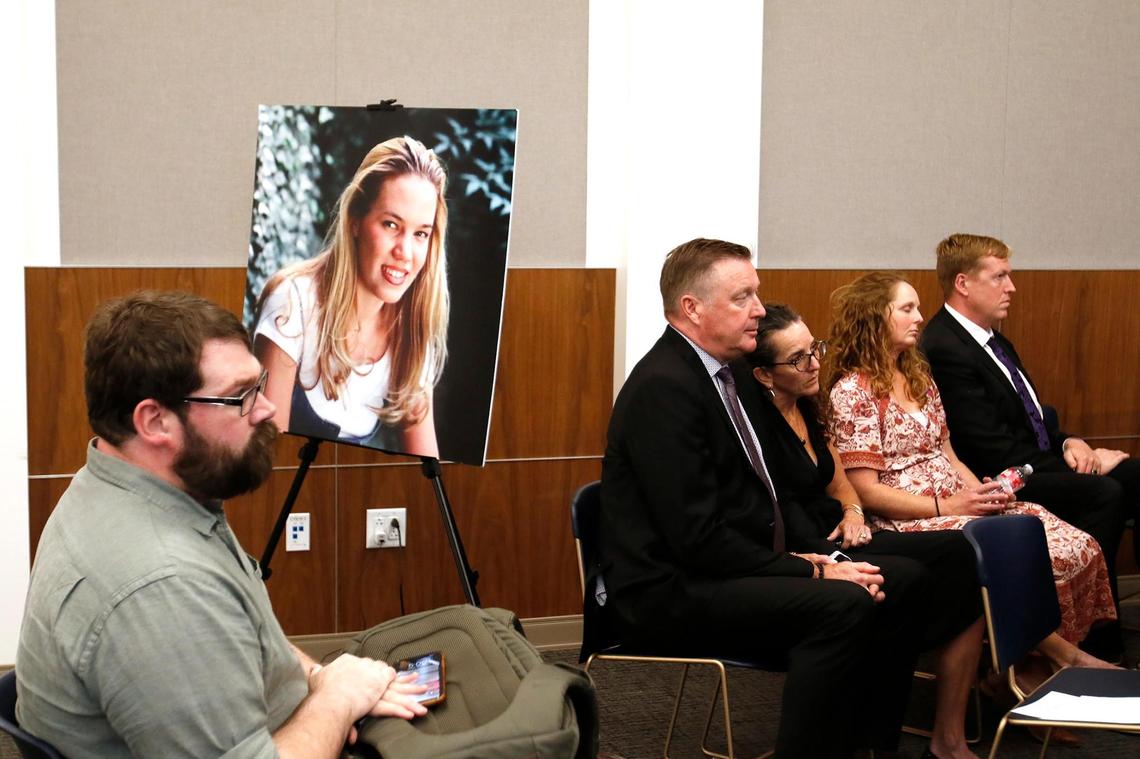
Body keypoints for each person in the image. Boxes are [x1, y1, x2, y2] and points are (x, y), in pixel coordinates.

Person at [16, 291, 427, 758]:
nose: (267, 408)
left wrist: (319, 680)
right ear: (155, 421)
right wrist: (336, 701)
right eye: (239, 397)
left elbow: (240, 639)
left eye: (260, 384)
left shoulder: (133, 486)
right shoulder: (161, 586)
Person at [599, 238, 945, 759]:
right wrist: (810, 570)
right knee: (842, 604)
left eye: (756, 294)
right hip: (669, 589)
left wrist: (818, 551)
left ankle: (870, 746)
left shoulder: (729, 370)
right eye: (743, 297)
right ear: (692, 308)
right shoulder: (663, 389)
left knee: (907, 581)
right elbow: (696, 539)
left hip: (726, 564)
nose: (759, 310)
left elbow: (769, 489)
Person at [822, 271, 1116, 674]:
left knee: (1069, 541)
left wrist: (983, 492)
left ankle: (1026, 665)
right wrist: (949, 504)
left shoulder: (919, 376)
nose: (919, 317)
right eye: (907, 308)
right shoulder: (854, 391)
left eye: (918, 308)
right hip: (905, 517)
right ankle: (1040, 664)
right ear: (874, 318)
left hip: (957, 500)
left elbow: (949, 454)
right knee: (1022, 550)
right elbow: (866, 492)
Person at [741, 303, 984, 759]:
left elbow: (842, 486)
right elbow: (778, 517)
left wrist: (853, 513)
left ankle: (928, 730)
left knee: (959, 551)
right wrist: (833, 540)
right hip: (804, 546)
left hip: (840, 530)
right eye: (798, 359)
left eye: (814, 349)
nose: (815, 363)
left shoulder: (809, 406)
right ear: (764, 376)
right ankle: (870, 737)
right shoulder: (755, 427)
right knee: (905, 581)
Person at [920, 232, 1140, 659]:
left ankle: (1102, 618)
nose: (1011, 287)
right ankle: (1088, 636)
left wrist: (1074, 443)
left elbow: (1033, 420)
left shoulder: (993, 339)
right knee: (1105, 492)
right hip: (998, 479)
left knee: (1135, 476)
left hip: (1031, 461)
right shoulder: (946, 347)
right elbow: (995, 451)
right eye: (1000, 276)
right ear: (963, 283)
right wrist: (1085, 465)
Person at [255, 135, 449, 457]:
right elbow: (266, 463)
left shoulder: (412, 335)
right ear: (356, 221)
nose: (405, 252)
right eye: (390, 224)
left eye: (420, 234)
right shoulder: (293, 304)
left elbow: (427, 468)